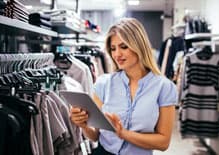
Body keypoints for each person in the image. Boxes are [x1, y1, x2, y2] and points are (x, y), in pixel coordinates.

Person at [70, 18, 178, 155]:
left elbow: (163, 142)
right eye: (113, 48)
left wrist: (123, 133)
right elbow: (95, 135)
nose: (117, 54)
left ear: (139, 45)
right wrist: (83, 125)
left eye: (123, 47)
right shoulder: (103, 84)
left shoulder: (164, 87)